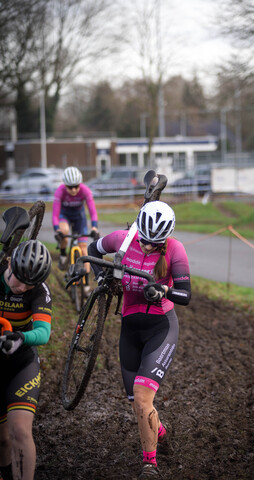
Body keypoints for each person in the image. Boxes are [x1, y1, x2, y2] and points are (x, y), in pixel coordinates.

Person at [88, 200, 191, 478]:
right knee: (137, 403)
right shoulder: (122, 240)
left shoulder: (175, 249)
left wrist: (163, 291)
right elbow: (92, 250)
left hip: (161, 327)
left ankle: (149, 465)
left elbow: (186, 294)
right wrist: (101, 278)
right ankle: (159, 431)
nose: (146, 247)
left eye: (153, 244)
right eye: (143, 240)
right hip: (130, 329)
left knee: (144, 398)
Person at [0, 240, 52, 480]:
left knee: (19, 431)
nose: (21, 288)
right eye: (19, 279)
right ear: (9, 263)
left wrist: (21, 337)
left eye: (28, 285)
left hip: (21, 363)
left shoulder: (39, 290)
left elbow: (43, 332)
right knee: (3, 441)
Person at [52, 166, 99, 297]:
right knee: (65, 232)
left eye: (76, 186)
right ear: (65, 185)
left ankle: (86, 286)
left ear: (80, 184)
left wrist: (94, 227)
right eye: (70, 187)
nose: (73, 190)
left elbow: (92, 211)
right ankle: (62, 256)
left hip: (80, 218)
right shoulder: (60, 191)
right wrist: (57, 230)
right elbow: (55, 215)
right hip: (64, 216)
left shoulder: (85, 190)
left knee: (84, 249)